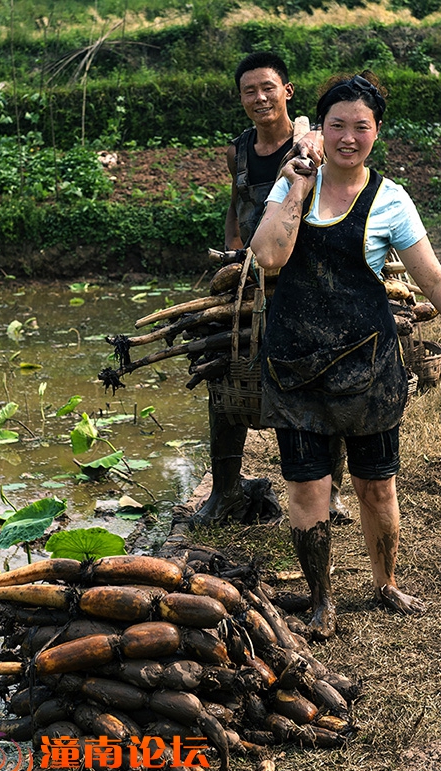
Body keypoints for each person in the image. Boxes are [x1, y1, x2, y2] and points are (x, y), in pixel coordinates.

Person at [251, 71, 441, 640]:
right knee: (307, 487)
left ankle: (384, 583)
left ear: (376, 132)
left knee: (376, 485)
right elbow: (267, 257)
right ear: (319, 131)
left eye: (360, 126)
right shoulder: (292, 183)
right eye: (335, 125)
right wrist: (295, 182)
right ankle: (321, 601)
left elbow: (433, 279)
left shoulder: (390, 199)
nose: (347, 137)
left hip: (368, 370)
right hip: (293, 368)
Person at [189, 52, 349, 527]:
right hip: (250, 273)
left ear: (287, 91)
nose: (259, 98)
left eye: (268, 88)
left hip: (304, 272)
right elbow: (237, 207)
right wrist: (231, 259)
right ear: (240, 97)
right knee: (223, 372)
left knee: (325, 378)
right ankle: (225, 490)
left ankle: (333, 493)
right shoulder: (237, 151)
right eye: (249, 91)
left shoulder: (310, 144)